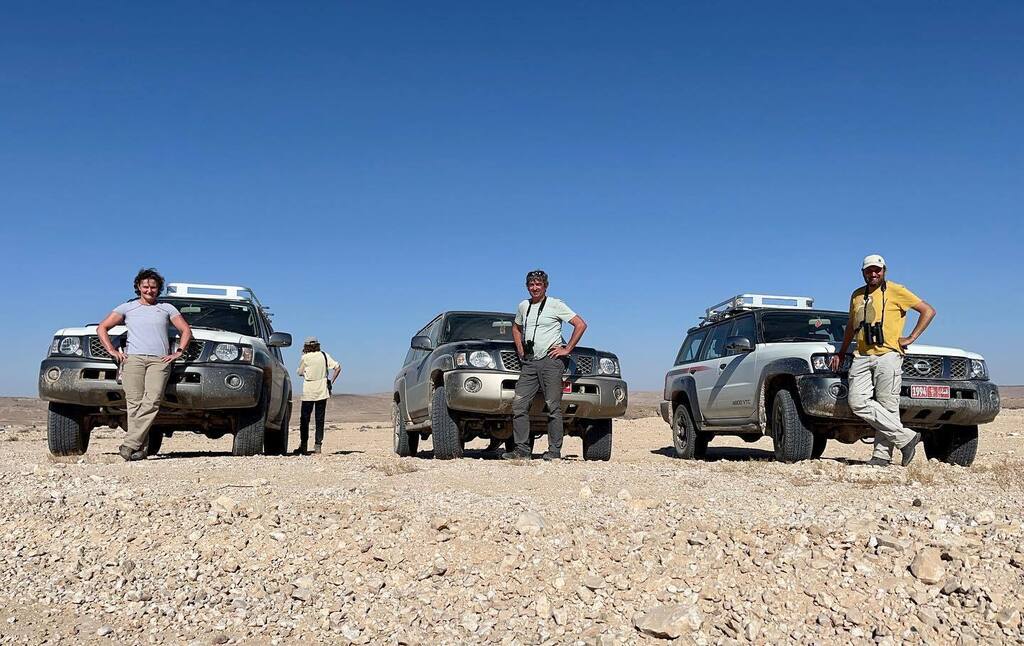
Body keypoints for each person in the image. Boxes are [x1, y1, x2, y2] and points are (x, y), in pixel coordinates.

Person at [830, 255, 936, 466]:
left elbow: (928, 311)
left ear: (884, 270)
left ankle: (881, 456)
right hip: (862, 355)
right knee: (857, 402)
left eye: (877, 270)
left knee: (888, 406)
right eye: (869, 270)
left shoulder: (897, 290)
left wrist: (911, 338)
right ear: (863, 273)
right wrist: (841, 351)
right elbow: (852, 325)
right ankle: (906, 437)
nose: (873, 274)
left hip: (888, 355)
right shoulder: (857, 295)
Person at [97, 268, 192, 461]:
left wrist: (179, 352)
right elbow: (102, 328)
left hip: (160, 360)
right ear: (139, 287)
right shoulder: (127, 308)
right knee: (134, 404)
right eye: (146, 286)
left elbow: (185, 330)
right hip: (133, 360)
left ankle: (130, 444)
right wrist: (112, 351)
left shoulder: (167, 308)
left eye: (154, 287)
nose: (150, 290)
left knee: (152, 400)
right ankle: (140, 449)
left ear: (159, 289)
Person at [502, 270, 587, 461]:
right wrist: (520, 349)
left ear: (545, 286)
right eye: (531, 285)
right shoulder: (524, 306)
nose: (535, 288)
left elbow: (580, 324)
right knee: (519, 404)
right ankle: (522, 450)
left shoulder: (556, 304)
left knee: (552, 406)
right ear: (527, 287)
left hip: (551, 361)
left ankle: (554, 451)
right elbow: (516, 327)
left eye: (538, 284)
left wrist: (567, 349)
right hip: (530, 362)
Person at [295, 336, 341, 455]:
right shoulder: (324, 355)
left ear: (306, 346)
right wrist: (331, 380)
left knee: (305, 419)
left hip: (309, 391)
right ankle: (318, 445)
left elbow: (300, 372)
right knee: (319, 419)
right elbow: (338, 367)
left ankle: (303, 445)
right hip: (322, 390)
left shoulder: (305, 358)